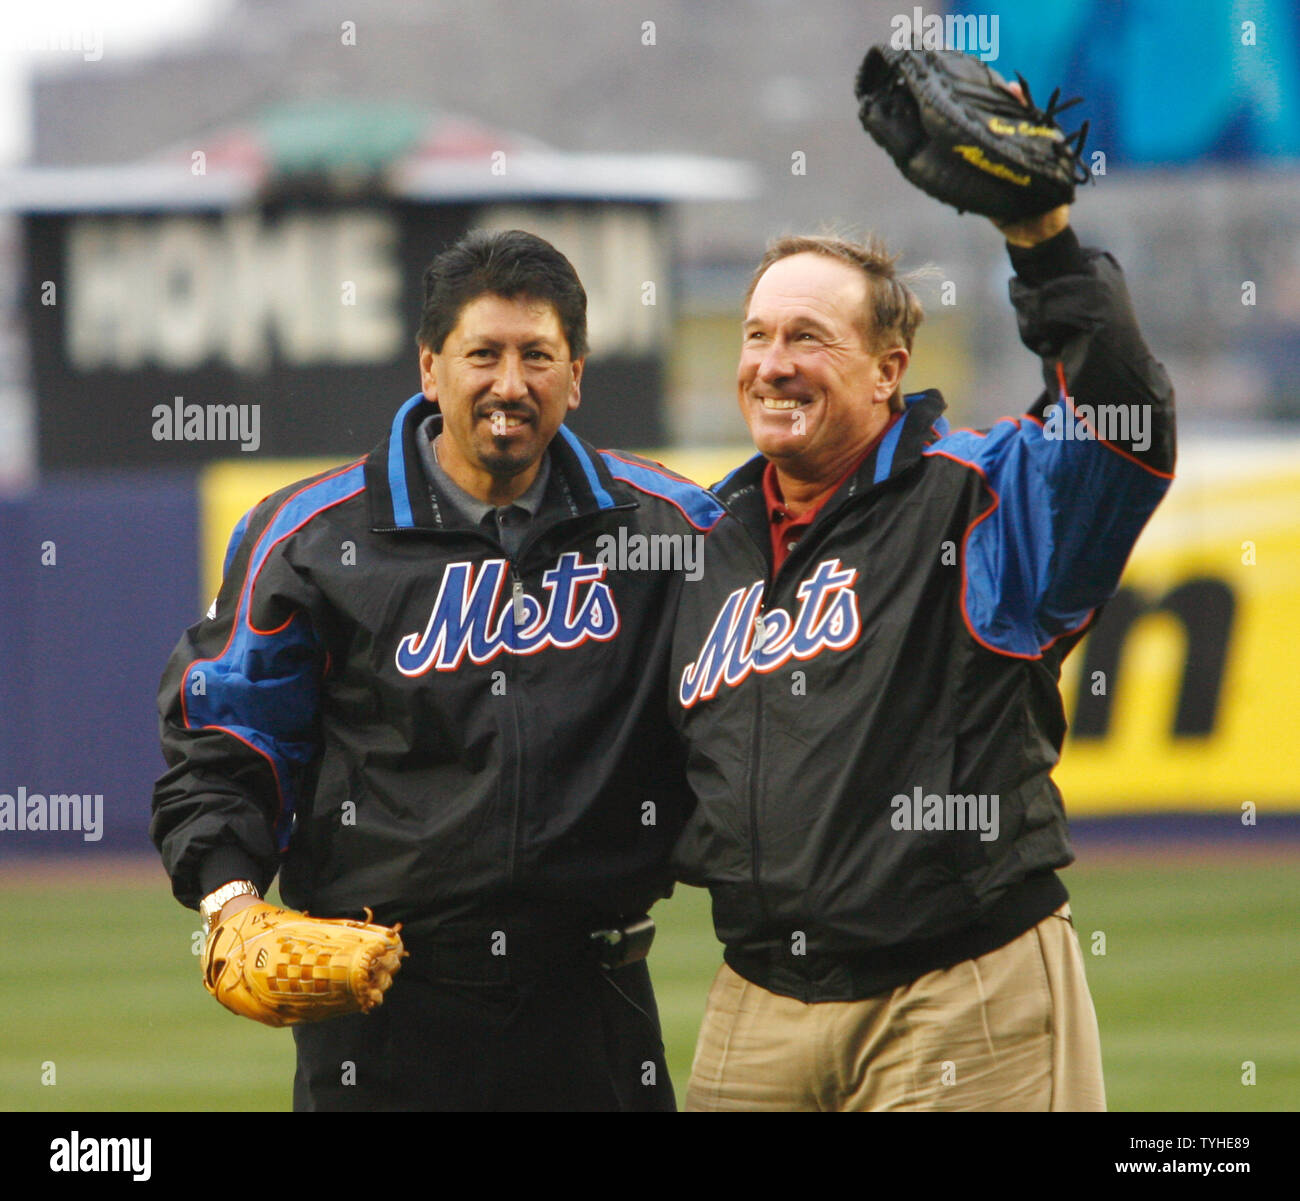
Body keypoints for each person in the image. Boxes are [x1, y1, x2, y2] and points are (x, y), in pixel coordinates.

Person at [152, 228, 723, 1112]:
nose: (509, 383)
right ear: (429, 367)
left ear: (576, 374)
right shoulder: (310, 536)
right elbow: (226, 735)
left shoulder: (668, 529)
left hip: (595, 1003)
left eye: (538, 354)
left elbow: (759, 708)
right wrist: (229, 897)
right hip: (379, 1014)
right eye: (481, 353)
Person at [668, 196, 1175, 1109]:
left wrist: (1044, 247)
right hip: (757, 998)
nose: (772, 364)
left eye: (809, 338)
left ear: (887, 369)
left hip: (957, 991)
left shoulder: (978, 495)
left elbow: (1123, 426)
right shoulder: (710, 539)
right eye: (757, 336)